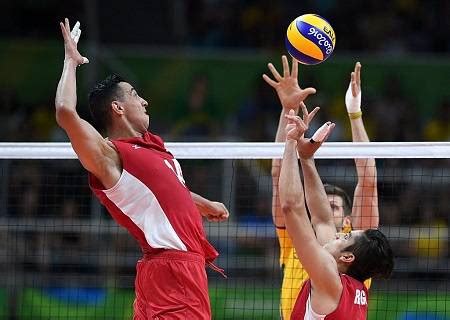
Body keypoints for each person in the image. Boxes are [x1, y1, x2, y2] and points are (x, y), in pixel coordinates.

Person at [55, 19, 229, 319]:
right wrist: (70, 62)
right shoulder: (110, 156)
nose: (145, 100)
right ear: (118, 108)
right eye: (135, 94)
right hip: (174, 272)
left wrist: (203, 204)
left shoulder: (152, 148)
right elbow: (65, 112)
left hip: (171, 270)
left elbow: (167, 192)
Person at [263, 56, 379, 319]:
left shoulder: (358, 250)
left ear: (348, 223)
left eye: (334, 205)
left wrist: (355, 114)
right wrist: (288, 111)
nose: (324, 206)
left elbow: (368, 182)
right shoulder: (302, 240)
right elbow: (279, 174)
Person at [279, 106, 393, 319]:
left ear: (348, 257)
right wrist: (306, 159)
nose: (341, 232)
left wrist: (291, 141)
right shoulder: (355, 288)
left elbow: (291, 207)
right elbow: (322, 220)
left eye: (347, 236)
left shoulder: (329, 280)